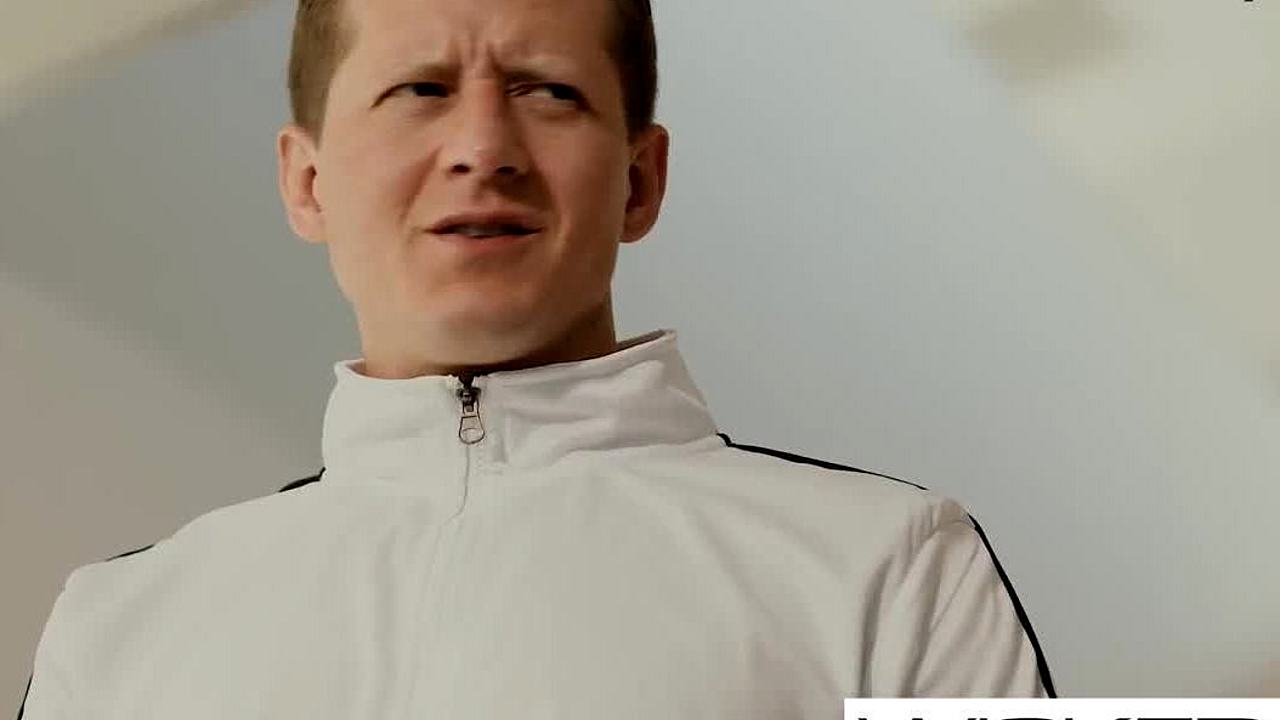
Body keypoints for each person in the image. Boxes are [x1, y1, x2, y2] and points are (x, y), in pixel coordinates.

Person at [16, 0, 1055, 716]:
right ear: (307, 181)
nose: (483, 148)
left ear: (641, 180)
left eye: (547, 91)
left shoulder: (890, 571)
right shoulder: (116, 630)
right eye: (420, 88)